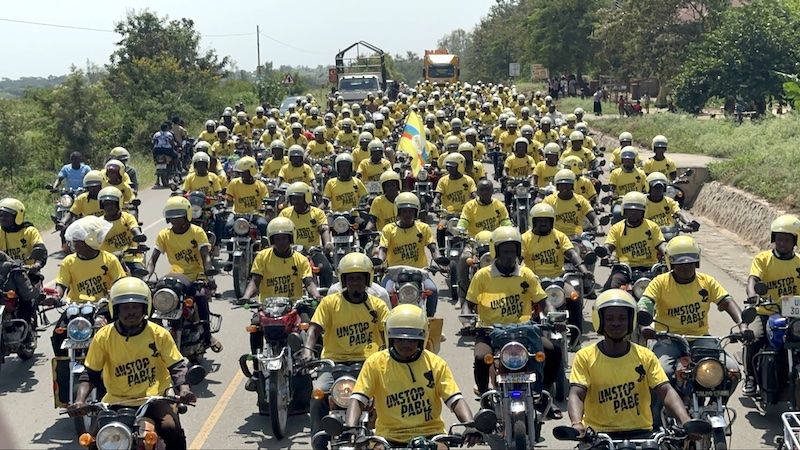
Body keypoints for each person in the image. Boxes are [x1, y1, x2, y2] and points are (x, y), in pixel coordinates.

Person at [69, 277, 196, 450]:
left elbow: (177, 366)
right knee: (93, 442)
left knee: (171, 429)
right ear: (116, 309)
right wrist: (80, 400)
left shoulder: (159, 334)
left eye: (136, 307)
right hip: (115, 402)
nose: (131, 312)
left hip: (154, 400)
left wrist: (184, 389)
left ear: (145, 308)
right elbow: (90, 373)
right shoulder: (103, 337)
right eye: (125, 307)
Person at [638, 236, 749, 424]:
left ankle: (715, 404)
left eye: (689, 262)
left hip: (700, 338)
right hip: (668, 340)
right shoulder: (660, 282)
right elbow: (646, 302)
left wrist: (743, 325)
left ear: (696, 261)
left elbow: (727, 301)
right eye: (679, 262)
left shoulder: (706, 282)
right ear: (670, 261)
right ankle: (654, 422)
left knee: (732, 371)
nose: (685, 266)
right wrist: (645, 323)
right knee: (661, 373)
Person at [346, 304, 482, 449]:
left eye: (412, 339)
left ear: (422, 338)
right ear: (390, 338)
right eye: (400, 339)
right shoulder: (374, 363)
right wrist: (350, 427)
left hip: (430, 434)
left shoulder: (435, 364)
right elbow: (358, 399)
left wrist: (470, 424)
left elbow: (455, 399)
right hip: (389, 437)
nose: (406, 344)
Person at [464, 226, 563, 417]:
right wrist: (468, 323)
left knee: (553, 351)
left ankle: (543, 397)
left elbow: (544, 302)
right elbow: (468, 304)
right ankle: (485, 401)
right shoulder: (482, 275)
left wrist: (552, 316)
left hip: (524, 332)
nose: (510, 256)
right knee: (480, 358)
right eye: (505, 251)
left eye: (513, 251)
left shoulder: (526, 274)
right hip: (490, 332)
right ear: (495, 251)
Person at [568, 289, 692, 439]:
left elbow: (665, 391)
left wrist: (685, 420)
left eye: (622, 318)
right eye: (609, 318)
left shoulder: (645, 356)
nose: (616, 323)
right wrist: (577, 424)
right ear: (599, 320)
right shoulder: (585, 357)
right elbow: (577, 394)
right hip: (598, 436)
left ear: (631, 320)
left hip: (642, 434)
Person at [303, 253, 390, 450]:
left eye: (359, 278)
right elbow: (314, 328)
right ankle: (319, 441)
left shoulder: (378, 306)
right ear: (343, 280)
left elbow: (389, 333)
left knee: (385, 395)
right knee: (317, 395)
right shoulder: (330, 303)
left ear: (367, 279)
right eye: (351, 278)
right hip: (333, 365)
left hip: (369, 364)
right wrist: (308, 349)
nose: (355, 283)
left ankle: (382, 437)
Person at [147, 196, 220, 352]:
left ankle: (207, 337)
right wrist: (146, 276)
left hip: (196, 276)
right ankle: (154, 338)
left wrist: (209, 275)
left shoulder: (197, 232)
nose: (175, 220)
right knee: (154, 302)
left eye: (178, 216)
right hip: (175, 277)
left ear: (187, 215)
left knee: (200, 298)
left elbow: (205, 256)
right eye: (171, 217)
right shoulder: (163, 235)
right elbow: (153, 259)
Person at [743, 214, 800, 395]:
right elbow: (753, 279)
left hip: (793, 314)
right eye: (779, 239)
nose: (782, 243)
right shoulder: (763, 259)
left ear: (795, 241)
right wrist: (752, 293)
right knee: (754, 337)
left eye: (787, 240)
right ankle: (750, 378)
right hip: (766, 311)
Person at [52, 216, 125, 356]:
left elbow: (119, 282)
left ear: (90, 241)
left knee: (117, 334)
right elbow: (61, 284)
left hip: (102, 307)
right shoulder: (68, 261)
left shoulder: (109, 260)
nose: (74, 245)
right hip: (76, 308)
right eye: (74, 242)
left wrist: (113, 292)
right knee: (58, 335)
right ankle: (62, 374)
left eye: (78, 242)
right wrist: (56, 295)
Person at [522, 204, 594, 329]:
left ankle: (576, 336)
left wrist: (584, 270)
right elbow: (518, 257)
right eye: (540, 221)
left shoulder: (559, 236)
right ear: (533, 221)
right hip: (535, 281)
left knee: (575, 298)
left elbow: (571, 253)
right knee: (523, 303)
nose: (543, 223)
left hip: (558, 279)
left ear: (552, 221)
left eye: (546, 220)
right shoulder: (525, 238)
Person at [378, 193, 443, 317]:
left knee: (432, 290)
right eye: (404, 211)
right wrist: (379, 262)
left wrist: (440, 261)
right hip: (394, 273)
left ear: (416, 212)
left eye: (410, 211)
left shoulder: (423, 228)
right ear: (398, 212)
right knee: (385, 293)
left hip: (420, 272)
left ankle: (430, 321)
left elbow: (433, 248)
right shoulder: (389, 229)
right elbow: (383, 249)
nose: (407, 215)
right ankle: (386, 321)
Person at [456, 179, 512, 306]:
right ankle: (462, 297)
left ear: (493, 191)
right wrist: (460, 229)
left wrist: (509, 228)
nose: (485, 192)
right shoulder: (470, 206)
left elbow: (505, 221)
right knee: (465, 258)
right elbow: (463, 221)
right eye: (482, 190)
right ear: (477, 192)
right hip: (473, 243)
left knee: (512, 260)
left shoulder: (499, 205)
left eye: (488, 189)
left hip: (495, 243)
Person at [602, 192, 666, 290]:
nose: (633, 212)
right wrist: (605, 254)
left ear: (643, 211)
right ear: (624, 210)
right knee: (609, 290)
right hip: (624, 269)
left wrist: (668, 253)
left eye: (637, 210)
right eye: (630, 209)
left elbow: (661, 244)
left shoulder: (652, 227)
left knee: (667, 289)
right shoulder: (617, 228)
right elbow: (609, 245)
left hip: (650, 268)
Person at [0, 198, 47, 327]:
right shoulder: (0, 232)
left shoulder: (29, 231)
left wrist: (36, 265)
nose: (3, 218)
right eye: (1, 215)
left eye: (7, 215)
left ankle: (25, 330)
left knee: (29, 301)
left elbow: (40, 249)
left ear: (17, 216)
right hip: (4, 275)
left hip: (26, 272)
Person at [278, 183, 334, 288]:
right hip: (292, 253)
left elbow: (324, 229)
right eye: (293, 198)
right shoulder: (285, 213)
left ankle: (324, 295)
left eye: (298, 198)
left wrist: (327, 243)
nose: (295, 201)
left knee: (325, 268)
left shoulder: (317, 213)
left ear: (307, 198)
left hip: (313, 251)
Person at [98, 187, 146, 277]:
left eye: (112, 204)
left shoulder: (127, 217)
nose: (109, 207)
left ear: (118, 204)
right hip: (108, 260)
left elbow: (134, 228)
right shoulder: (99, 223)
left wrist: (138, 235)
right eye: (106, 204)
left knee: (139, 274)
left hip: (130, 257)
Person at [432, 153, 477, 248]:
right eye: (448, 167)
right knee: (440, 228)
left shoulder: (468, 180)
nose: (449, 169)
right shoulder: (443, 180)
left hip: (465, 214)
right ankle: (441, 251)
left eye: (452, 167)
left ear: (460, 166)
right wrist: (434, 204)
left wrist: (478, 202)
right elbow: (438, 195)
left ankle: (473, 250)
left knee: (473, 229)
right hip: (448, 214)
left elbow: (474, 194)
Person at [543, 169, 600, 236]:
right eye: (561, 185)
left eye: (567, 185)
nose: (564, 188)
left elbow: (593, 217)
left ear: (572, 186)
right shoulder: (549, 201)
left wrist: (598, 227)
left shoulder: (580, 200)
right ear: (557, 186)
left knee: (589, 246)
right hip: (556, 237)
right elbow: (542, 218)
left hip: (577, 237)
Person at [224, 156, 269, 238]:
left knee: (263, 225)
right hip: (238, 215)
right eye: (240, 173)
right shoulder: (234, 183)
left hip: (255, 215)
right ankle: (229, 250)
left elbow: (265, 200)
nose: (241, 175)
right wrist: (224, 206)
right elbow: (228, 198)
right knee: (228, 227)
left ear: (251, 171)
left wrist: (265, 207)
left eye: (243, 172)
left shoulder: (260, 186)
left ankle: (265, 246)